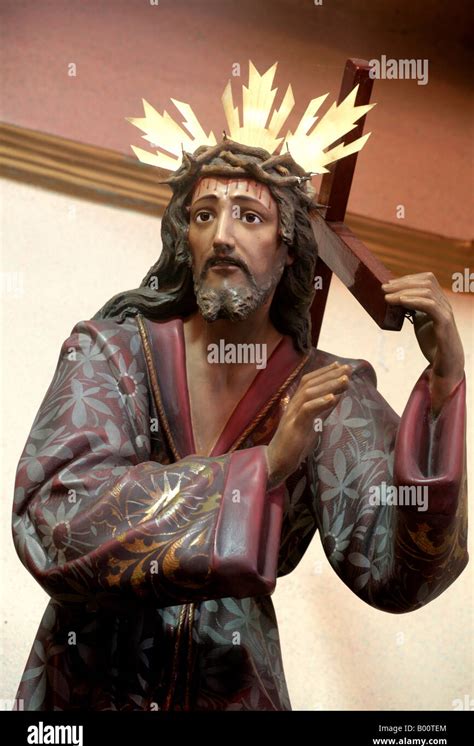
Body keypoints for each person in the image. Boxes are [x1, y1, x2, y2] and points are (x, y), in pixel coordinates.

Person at [12, 139, 468, 711]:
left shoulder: (328, 392)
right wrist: (265, 468)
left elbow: (403, 574)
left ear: (290, 250)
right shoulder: (110, 354)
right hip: (86, 686)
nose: (223, 234)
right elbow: (56, 522)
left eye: (250, 216)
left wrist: (444, 391)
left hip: (230, 686)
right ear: (186, 237)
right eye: (205, 215)